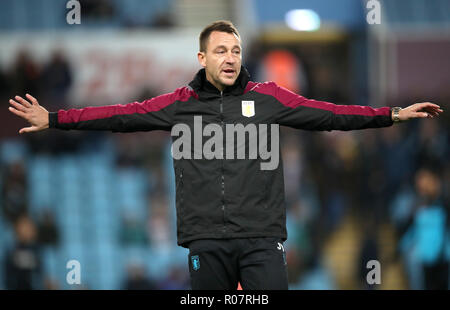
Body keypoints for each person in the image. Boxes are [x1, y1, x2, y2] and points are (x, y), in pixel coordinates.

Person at [8, 20, 443, 290]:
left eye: (235, 50)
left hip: (261, 241)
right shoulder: (178, 104)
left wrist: (390, 114)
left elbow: (329, 113)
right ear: (202, 57)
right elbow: (120, 115)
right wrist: (57, 118)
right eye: (221, 50)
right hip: (206, 241)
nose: (230, 57)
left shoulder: (269, 97)